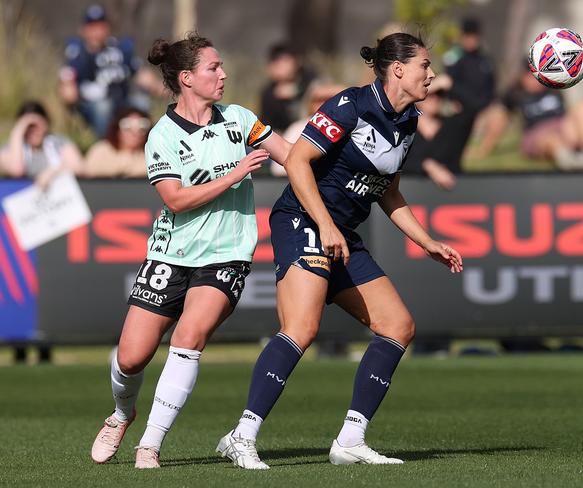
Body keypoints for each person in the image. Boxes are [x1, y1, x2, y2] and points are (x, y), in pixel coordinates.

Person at [217, 32, 463, 470]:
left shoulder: (408, 122)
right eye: (425, 65)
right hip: (302, 221)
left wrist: (427, 242)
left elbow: (388, 193)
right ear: (399, 69)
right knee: (302, 327)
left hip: (340, 235)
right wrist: (326, 225)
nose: (432, 74)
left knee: (398, 326)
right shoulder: (350, 105)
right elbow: (295, 162)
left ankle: (350, 441)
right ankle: (241, 436)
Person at [89, 32, 291, 469]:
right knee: (131, 357)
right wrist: (235, 173)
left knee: (189, 338)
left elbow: (291, 155)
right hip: (171, 252)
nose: (223, 74)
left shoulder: (239, 118)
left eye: (220, 66)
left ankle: (151, 444)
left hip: (227, 254)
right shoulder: (161, 135)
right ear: (186, 78)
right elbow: (176, 200)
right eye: (212, 68)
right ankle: (123, 413)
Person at [408, 17, 494, 189]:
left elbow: (481, 100)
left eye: (440, 95)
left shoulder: (453, 126)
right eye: (429, 94)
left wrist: (451, 86)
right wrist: (429, 166)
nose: (434, 98)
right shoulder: (405, 127)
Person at [59, 4, 162, 138]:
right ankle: (105, 146)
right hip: (92, 106)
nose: (97, 31)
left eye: (101, 26)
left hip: (122, 101)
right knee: (103, 106)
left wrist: (160, 87)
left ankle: (146, 146)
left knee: (141, 102)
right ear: (84, 30)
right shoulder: (77, 53)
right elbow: (67, 85)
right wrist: (69, 91)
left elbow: (140, 73)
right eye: (92, 27)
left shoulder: (119, 49)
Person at [474, 62, 583, 169]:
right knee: (551, 140)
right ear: (523, 76)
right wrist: (484, 148)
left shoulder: (553, 88)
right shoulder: (516, 93)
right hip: (536, 133)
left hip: (561, 126)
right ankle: (570, 162)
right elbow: (500, 118)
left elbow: (569, 115)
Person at [0, 101, 83, 187]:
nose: (33, 131)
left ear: (46, 123)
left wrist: (52, 173)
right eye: (28, 127)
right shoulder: (11, 147)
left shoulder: (59, 143)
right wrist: (18, 132)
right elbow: (16, 170)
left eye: (36, 126)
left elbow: (78, 167)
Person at [259, 43, 317, 134]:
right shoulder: (268, 92)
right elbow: (266, 125)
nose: (280, 66)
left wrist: (297, 92)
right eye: (275, 62)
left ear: (297, 62)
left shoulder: (311, 81)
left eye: (285, 61)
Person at [83, 107, 152, 178]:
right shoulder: (101, 149)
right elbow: (89, 171)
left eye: (142, 127)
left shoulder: (151, 153)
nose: (135, 132)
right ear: (117, 129)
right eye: (127, 127)